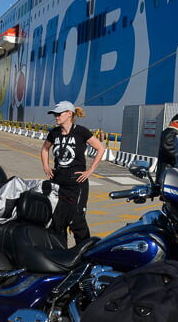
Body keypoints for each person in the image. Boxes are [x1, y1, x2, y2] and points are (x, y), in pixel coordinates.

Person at [40, 101, 105, 247]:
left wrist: (90, 170)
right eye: (55, 114)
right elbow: (44, 149)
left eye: (59, 114)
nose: (56, 117)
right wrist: (46, 166)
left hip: (77, 182)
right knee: (58, 219)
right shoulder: (54, 133)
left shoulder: (81, 132)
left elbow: (100, 148)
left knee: (77, 220)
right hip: (58, 181)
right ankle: (60, 252)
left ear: (69, 114)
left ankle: (85, 251)